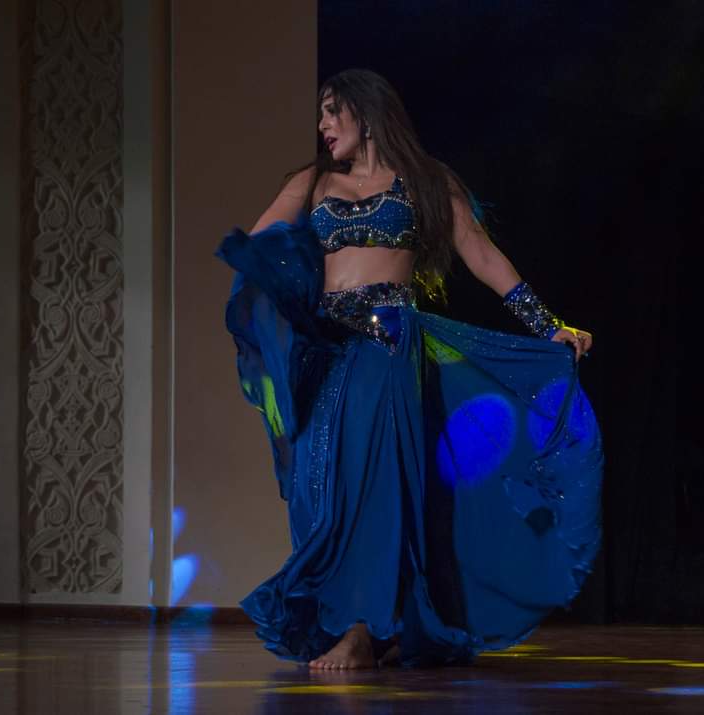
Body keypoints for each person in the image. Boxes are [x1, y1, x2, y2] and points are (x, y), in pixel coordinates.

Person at [217, 68, 603, 670]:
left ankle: (362, 627)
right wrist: (286, 286)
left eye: (332, 111)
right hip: (328, 351)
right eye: (320, 114)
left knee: (372, 480)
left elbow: (480, 253)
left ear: (366, 112)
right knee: (323, 485)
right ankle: (368, 616)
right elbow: (262, 243)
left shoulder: (424, 181)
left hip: (388, 344)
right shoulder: (312, 182)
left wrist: (545, 323)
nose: (322, 125)